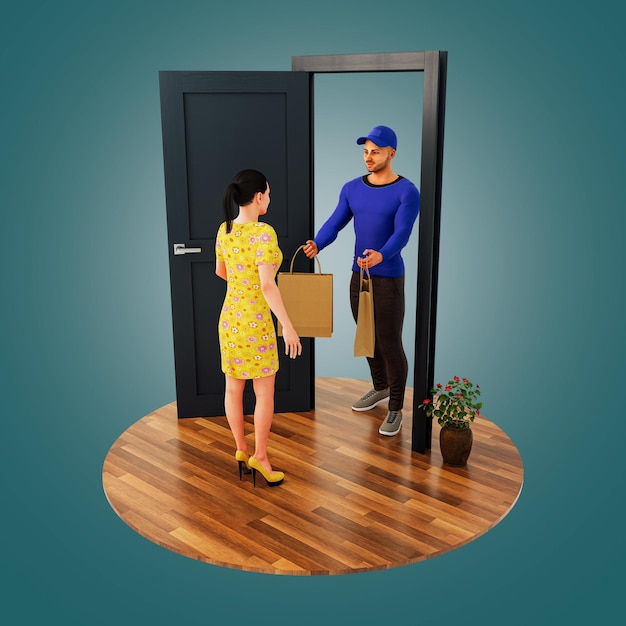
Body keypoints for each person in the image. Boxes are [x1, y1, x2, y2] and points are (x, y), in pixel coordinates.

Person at [303, 125, 420, 436]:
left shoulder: (406, 191)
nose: (369, 158)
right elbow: (335, 222)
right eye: (366, 152)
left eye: (376, 152)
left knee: (389, 341)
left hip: (388, 277)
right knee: (367, 337)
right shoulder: (352, 188)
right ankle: (380, 388)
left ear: (391, 154)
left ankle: (395, 407)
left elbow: (403, 233)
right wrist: (318, 242)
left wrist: (382, 255)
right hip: (359, 276)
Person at [215, 169, 302, 486]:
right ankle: (260, 457)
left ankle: (241, 451)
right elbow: (267, 285)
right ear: (259, 196)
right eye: (268, 192)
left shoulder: (223, 231)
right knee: (264, 391)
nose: (269, 197)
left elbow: (221, 272)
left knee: (232, 388)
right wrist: (288, 326)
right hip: (257, 323)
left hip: (230, 318)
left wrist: (242, 286)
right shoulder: (264, 232)